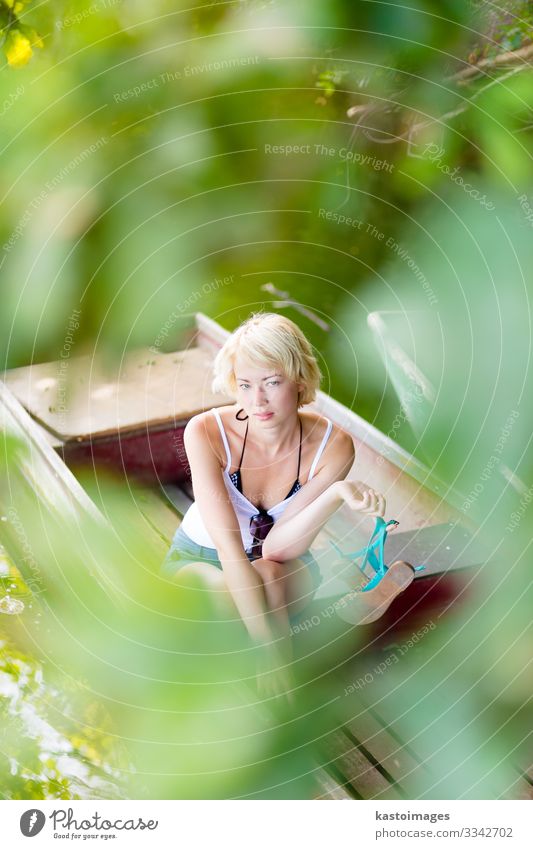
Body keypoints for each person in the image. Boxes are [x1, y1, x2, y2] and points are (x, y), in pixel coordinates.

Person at [163, 312, 414, 700]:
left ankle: (287, 643)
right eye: (244, 385)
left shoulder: (333, 446)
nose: (256, 400)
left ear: (299, 380)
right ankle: (326, 628)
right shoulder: (207, 432)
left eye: (272, 383)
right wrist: (272, 651)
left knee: (270, 573)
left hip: (281, 566)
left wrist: (334, 494)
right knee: (223, 596)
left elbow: (278, 549)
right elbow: (231, 553)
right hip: (203, 562)